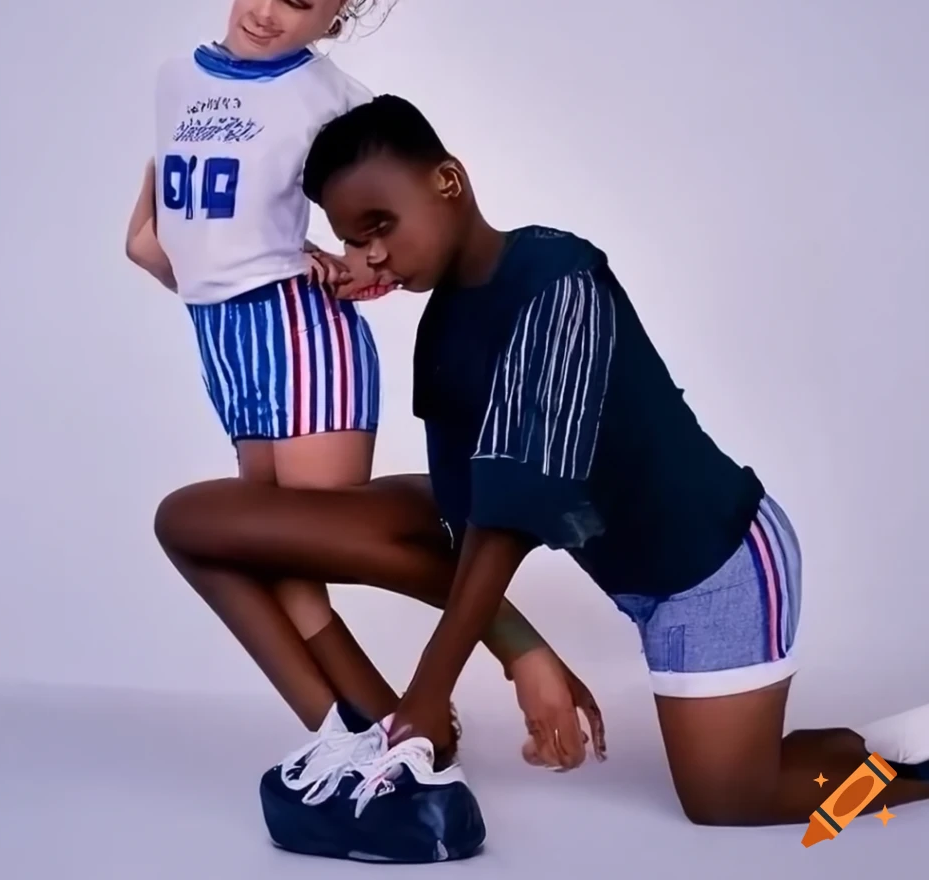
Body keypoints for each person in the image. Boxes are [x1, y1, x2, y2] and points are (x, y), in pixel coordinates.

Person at [155, 92, 929, 828]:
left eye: (382, 223)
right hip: (629, 568)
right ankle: (362, 726)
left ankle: (907, 773)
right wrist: (516, 655)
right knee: (228, 520)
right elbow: (464, 524)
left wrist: (439, 690)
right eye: (355, 239)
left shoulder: (560, 277)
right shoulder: (440, 335)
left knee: (731, 796)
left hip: (715, 566)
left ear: (448, 181)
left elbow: (511, 516)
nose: (375, 253)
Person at [127, 0, 601, 766]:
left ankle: (507, 651)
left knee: (313, 536)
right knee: (271, 551)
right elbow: (170, 230)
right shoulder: (175, 78)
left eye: (298, 1)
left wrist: (355, 267)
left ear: (336, 11)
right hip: (222, 343)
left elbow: (404, 213)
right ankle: (376, 729)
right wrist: (153, 253)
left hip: (298, 333)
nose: (268, 11)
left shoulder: (330, 99)